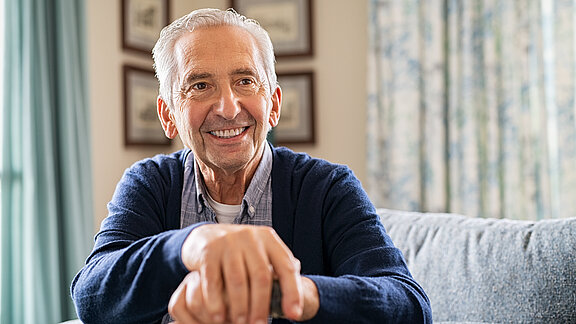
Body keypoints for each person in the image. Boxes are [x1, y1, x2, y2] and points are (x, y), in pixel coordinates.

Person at [71, 8, 431, 324]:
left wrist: (290, 295)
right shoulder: (149, 183)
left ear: (273, 104)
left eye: (245, 81)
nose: (227, 107)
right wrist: (191, 245)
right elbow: (91, 296)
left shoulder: (326, 186)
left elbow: (409, 306)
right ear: (168, 116)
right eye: (200, 85)